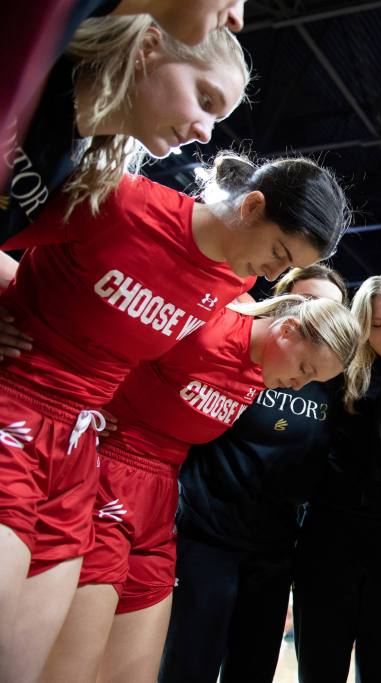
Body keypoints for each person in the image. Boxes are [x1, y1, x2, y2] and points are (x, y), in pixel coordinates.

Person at [0, 151, 349, 682]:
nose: (275, 274)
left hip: (138, 491)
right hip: (67, 444)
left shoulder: (227, 289)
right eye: (279, 253)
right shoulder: (131, 209)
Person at [42, 293, 359, 683]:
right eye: (304, 369)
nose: (298, 386)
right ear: (288, 330)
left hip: (161, 503)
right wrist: (93, 391)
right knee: (71, 666)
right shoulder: (208, 327)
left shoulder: (255, 376)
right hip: (109, 483)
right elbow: (95, 317)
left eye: (312, 380)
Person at [159, 264, 346, 683]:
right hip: (205, 539)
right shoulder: (237, 348)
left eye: (327, 309)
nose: (316, 318)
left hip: (274, 550)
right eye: (306, 302)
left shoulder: (329, 379)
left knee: (254, 668)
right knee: (188, 664)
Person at [1, 14, 249, 250]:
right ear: (148, 47)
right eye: (205, 101)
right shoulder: (28, 70)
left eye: (216, 121)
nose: (205, 134)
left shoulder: (80, 174)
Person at [294, 274, 381, 683]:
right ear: (359, 326)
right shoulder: (335, 372)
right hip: (329, 535)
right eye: (376, 324)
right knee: (319, 668)